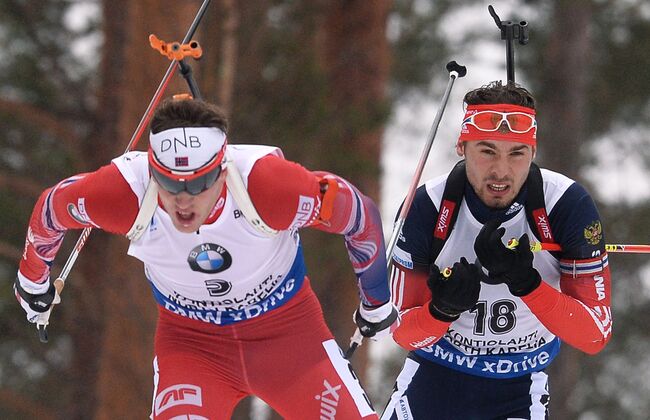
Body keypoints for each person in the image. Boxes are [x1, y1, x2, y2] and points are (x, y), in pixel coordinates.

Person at [13, 97, 398, 419]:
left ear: (221, 169)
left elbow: (358, 214)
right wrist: (32, 282)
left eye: (197, 183)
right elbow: (53, 208)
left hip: (290, 339)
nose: (183, 200)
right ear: (152, 171)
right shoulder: (124, 193)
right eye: (168, 182)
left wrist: (376, 301)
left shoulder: (269, 187)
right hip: (192, 347)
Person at [381, 81, 612, 419]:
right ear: (462, 147)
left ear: (533, 152)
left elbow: (595, 335)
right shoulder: (426, 206)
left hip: (519, 388)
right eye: (486, 151)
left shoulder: (565, 205)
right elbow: (402, 332)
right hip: (435, 378)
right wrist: (441, 311)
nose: (501, 171)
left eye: (517, 153)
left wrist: (529, 286)